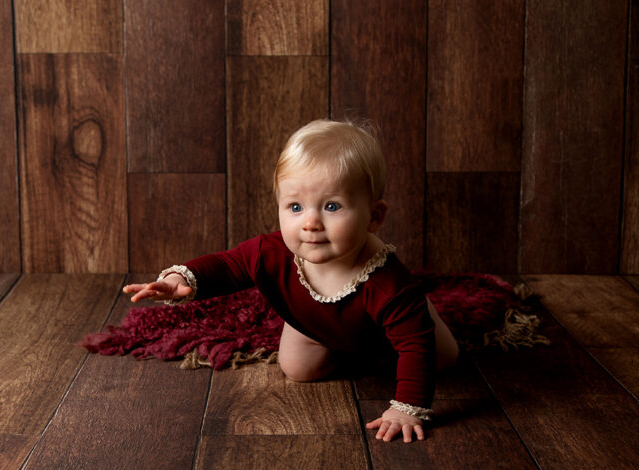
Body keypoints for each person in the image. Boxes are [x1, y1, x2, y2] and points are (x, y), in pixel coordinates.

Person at [124, 119, 459, 443]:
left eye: (331, 206)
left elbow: (415, 348)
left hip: (385, 327)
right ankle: (321, 326)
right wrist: (179, 278)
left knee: (440, 358)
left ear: (374, 216)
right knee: (297, 368)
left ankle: (422, 313)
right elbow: (228, 265)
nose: (310, 222)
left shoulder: (389, 286)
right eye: (295, 206)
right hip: (314, 321)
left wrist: (407, 409)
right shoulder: (272, 253)